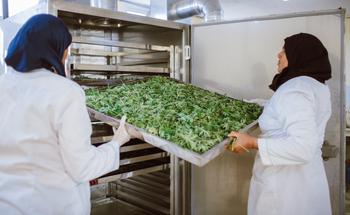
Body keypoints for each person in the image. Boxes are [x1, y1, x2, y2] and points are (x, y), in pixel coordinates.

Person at [0, 14, 136, 215]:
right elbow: (82, 167)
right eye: (66, 49)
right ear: (53, 49)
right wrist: (117, 142)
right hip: (55, 206)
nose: (65, 56)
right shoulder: (65, 92)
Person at [227, 33, 332, 215]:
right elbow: (283, 111)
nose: (279, 54)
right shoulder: (314, 86)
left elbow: (302, 148)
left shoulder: (296, 89)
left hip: (286, 191)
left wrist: (251, 142)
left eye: (284, 51)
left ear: (299, 55)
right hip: (306, 183)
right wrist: (243, 104)